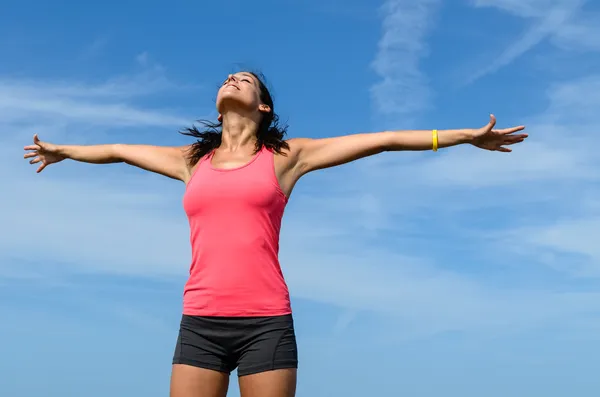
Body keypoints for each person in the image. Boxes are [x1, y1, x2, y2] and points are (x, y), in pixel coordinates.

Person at [23, 70, 527, 397]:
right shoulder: (191, 161)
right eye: (228, 78)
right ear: (218, 105)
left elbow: (383, 140)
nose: (233, 80)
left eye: (245, 80)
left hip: (266, 321)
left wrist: (463, 137)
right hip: (200, 321)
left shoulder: (286, 158)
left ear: (263, 106)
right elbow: (116, 150)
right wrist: (63, 151)